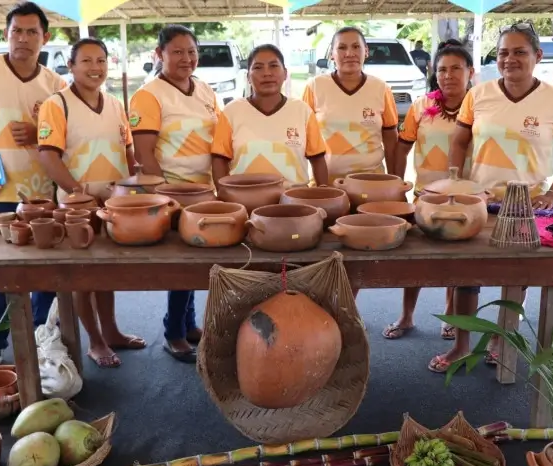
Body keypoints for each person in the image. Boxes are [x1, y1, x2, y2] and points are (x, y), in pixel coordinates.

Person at [428, 22, 553, 374]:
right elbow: (459, 141)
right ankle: (462, 345)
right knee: (467, 275)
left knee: (517, 277)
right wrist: (457, 181)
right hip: (479, 204)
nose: (509, 59)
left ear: (537, 56)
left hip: (526, 207)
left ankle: (500, 340)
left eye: (519, 52)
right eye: (503, 53)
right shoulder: (478, 95)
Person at [0, 1, 67, 364]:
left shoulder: (55, 84)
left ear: (45, 37)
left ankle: (38, 341)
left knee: (47, 275)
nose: (22, 38)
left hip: (44, 193)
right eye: (16, 31)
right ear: (5, 34)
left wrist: (39, 131)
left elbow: (63, 137)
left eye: (31, 31)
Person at [36, 38, 146, 368]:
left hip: (114, 205)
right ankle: (95, 342)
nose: (95, 67)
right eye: (86, 61)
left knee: (106, 272)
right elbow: (48, 155)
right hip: (76, 208)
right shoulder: (57, 105)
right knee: (83, 277)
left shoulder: (114, 104)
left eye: (101, 60)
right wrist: (78, 192)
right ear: (70, 66)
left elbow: (127, 148)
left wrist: (131, 184)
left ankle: (111, 332)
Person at [129, 25, 218, 363]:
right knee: (182, 264)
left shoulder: (205, 90)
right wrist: (166, 195)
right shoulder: (149, 95)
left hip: (205, 191)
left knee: (196, 263)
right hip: (172, 194)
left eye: (191, 51)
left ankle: (188, 323)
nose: (186, 58)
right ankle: (174, 334)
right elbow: (144, 154)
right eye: (177, 52)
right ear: (159, 55)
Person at [383, 39, 474, 341]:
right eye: (442, 69)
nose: (448, 75)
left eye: (456, 69)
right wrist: (395, 186)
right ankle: (406, 316)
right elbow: (401, 147)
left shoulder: (481, 107)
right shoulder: (421, 107)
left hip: (464, 201)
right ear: (433, 71)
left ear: (470, 72)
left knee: (457, 262)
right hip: (424, 198)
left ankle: (450, 317)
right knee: (416, 261)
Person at [211, 44, 328, 188]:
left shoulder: (302, 110)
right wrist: (224, 195)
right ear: (248, 76)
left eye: (273, 66)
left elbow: (317, 158)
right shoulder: (231, 112)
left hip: (294, 202)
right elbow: (219, 159)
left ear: (285, 73)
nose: (267, 73)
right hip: (245, 199)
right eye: (258, 67)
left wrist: (324, 191)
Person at [302, 26, 398, 182]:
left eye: (356, 46)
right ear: (332, 55)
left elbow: (391, 140)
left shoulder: (381, 88)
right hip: (326, 184)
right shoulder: (314, 87)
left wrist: (395, 183)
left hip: (372, 181)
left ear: (366, 51)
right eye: (341, 48)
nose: (349, 54)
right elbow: (304, 139)